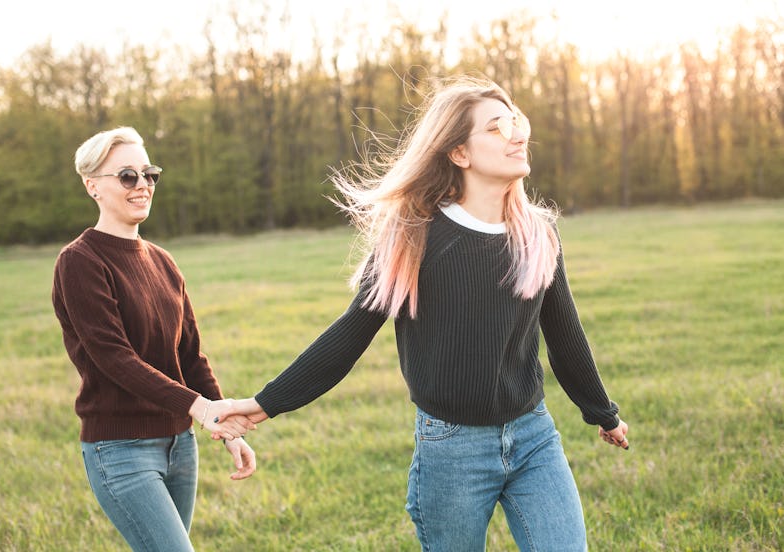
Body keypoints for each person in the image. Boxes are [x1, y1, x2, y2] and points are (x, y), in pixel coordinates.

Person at [218, 76, 629, 551]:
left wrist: (602, 411)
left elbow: (565, 333)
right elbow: (352, 332)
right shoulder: (414, 236)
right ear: (459, 153)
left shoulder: (537, 233)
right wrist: (265, 403)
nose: (517, 135)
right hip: (451, 449)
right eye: (497, 128)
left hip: (533, 435)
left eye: (517, 122)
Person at [52, 127, 257, 552]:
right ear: (93, 186)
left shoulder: (163, 261)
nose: (142, 184)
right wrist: (199, 407)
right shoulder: (80, 261)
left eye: (149, 174)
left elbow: (190, 355)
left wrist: (228, 427)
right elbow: (115, 359)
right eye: (127, 175)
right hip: (121, 451)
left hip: (181, 446)